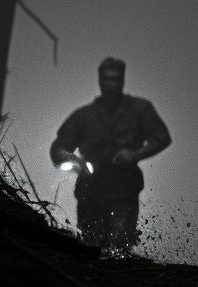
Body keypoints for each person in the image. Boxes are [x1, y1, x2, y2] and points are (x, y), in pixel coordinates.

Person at [50, 57, 171, 251]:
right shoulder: (83, 116)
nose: (110, 84)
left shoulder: (139, 110)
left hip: (124, 187)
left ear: (122, 80)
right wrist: (74, 162)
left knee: (120, 243)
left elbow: (162, 137)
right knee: (92, 245)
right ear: (99, 80)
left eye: (115, 79)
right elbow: (58, 148)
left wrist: (135, 154)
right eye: (106, 79)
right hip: (91, 189)